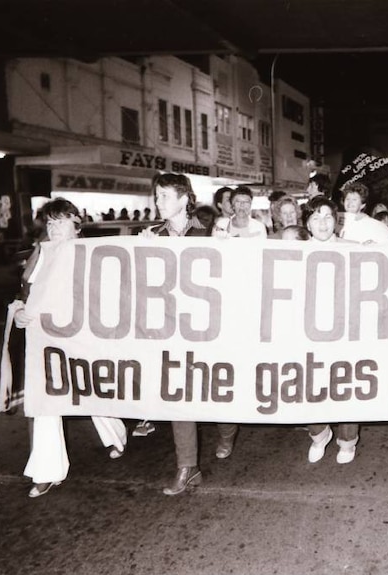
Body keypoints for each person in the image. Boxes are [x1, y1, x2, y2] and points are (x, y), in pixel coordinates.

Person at [12, 197, 127, 498]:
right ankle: (46, 471)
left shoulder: (94, 255)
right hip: (48, 341)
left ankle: (115, 436)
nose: (53, 228)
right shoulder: (41, 256)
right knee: (46, 402)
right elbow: (26, 296)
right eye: (49, 222)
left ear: (77, 225)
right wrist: (21, 313)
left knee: (91, 390)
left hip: (85, 338)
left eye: (60, 221)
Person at [140, 173, 240, 495]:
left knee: (213, 394)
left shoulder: (210, 231)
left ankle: (227, 429)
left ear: (184, 199)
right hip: (171, 330)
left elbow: (236, 274)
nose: (158, 202)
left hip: (207, 329)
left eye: (165, 196)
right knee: (178, 397)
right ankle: (188, 467)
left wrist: (227, 248)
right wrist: (140, 250)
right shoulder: (152, 235)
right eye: (157, 197)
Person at [301, 196, 360, 464]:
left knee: (347, 384)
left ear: (336, 220)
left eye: (327, 216)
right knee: (309, 383)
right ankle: (319, 433)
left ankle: (347, 441)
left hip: (346, 330)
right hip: (307, 332)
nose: (322, 223)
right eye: (316, 217)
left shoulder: (355, 249)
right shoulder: (292, 251)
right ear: (307, 224)